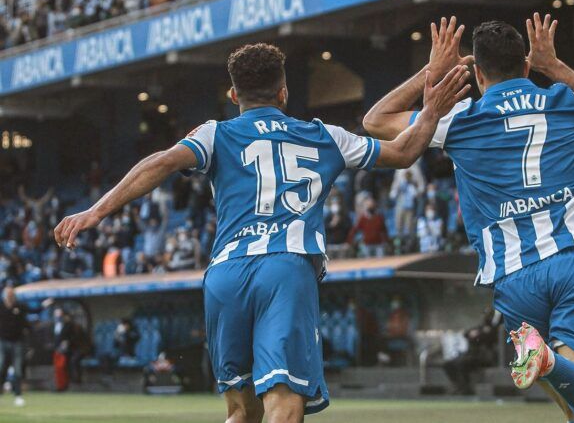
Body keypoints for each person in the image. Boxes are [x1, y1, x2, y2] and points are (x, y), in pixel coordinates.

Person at [53, 42, 470, 422]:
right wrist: (430, 105)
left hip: (225, 274)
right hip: (285, 270)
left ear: (234, 96)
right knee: (285, 406)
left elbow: (160, 162)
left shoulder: (216, 133)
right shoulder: (326, 136)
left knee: (241, 412)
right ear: (284, 91)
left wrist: (95, 210)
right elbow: (401, 152)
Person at [363, 14, 574, 422]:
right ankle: (550, 362)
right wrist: (553, 66)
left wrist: (432, 71)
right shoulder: (564, 101)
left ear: (478, 76)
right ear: (525, 65)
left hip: (513, 275)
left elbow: (375, 121)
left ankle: (543, 360)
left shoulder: (459, 120)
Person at [0, 283, 52, 405]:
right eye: (8, 294)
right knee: (1, 367)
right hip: (3, 341)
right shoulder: (1, 307)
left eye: (12, 294)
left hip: (17, 341)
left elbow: (33, 310)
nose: (10, 296)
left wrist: (44, 305)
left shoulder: (20, 306)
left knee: (18, 369)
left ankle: (17, 394)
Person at [443, 309, 501, 395]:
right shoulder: (481, 327)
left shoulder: (494, 328)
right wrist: (473, 333)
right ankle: (458, 385)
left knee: (462, 363)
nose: (485, 317)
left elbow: (489, 336)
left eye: (488, 315)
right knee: (448, 364)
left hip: (483, 357)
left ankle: (465, 389)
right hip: (471, 355)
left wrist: (480, 333)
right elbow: (466, 333)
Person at [52, 308, 73, 392]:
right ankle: (59, 385)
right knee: (57, 369)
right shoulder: (52, 325)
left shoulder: (67, 325)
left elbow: (70, 337)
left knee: (63, 367)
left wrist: (66, 344)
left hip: (64, 350)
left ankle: (65, 385)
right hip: (56, 349)